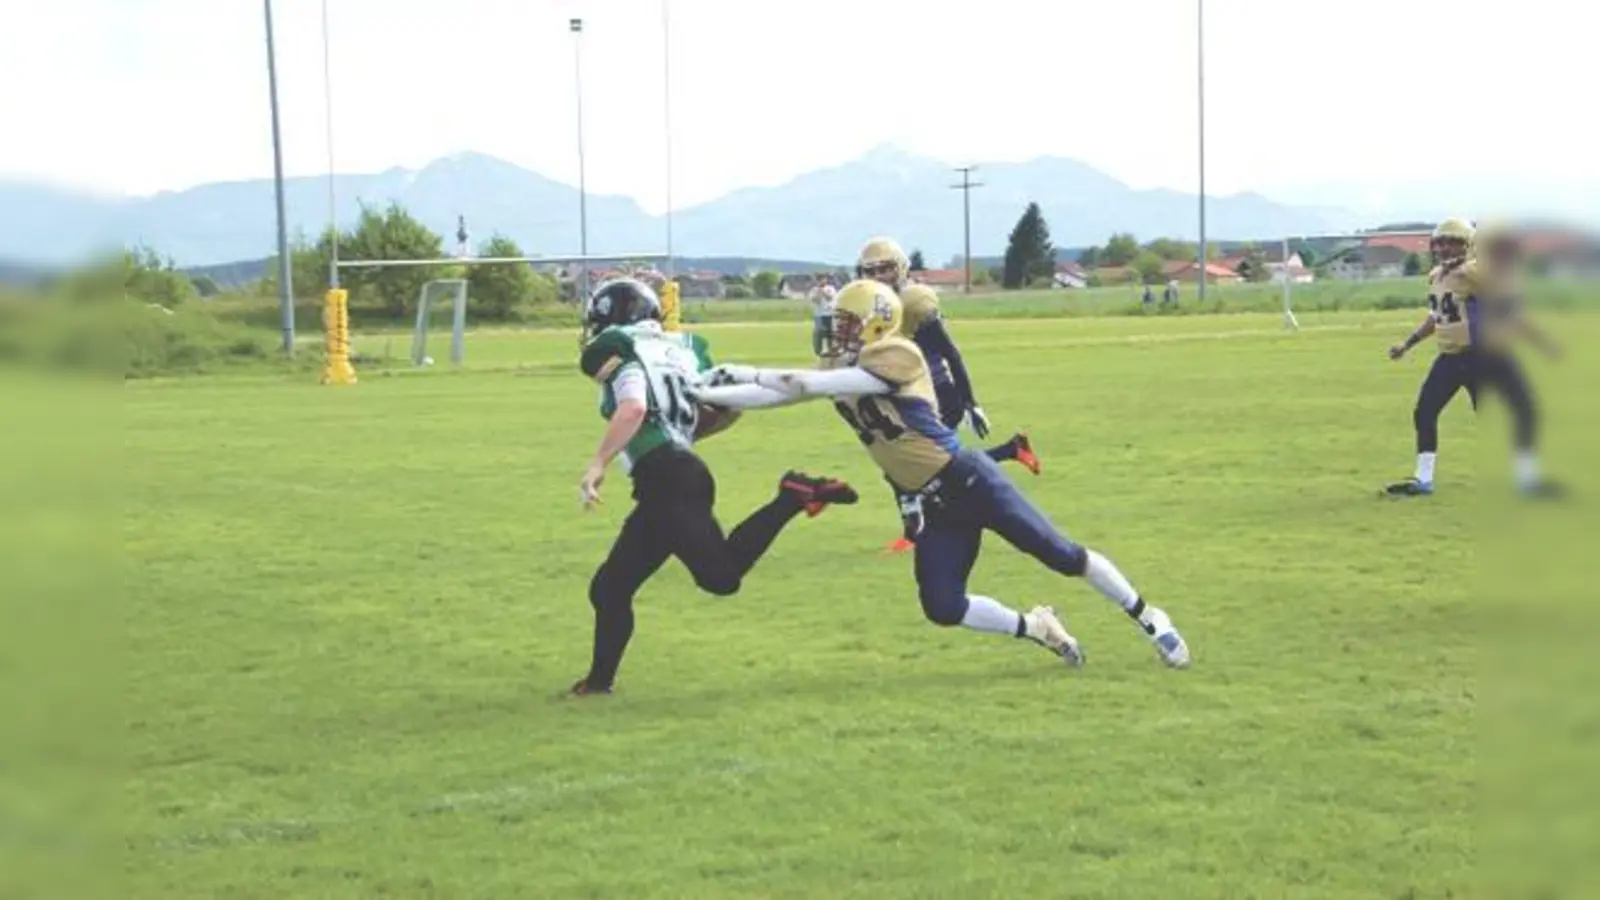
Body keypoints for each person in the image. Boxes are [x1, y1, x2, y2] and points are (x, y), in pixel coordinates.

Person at [699, 279, 1191, 669]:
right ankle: (1039, 627)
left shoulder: (898, 355)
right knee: (942, 605)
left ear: (876, 326)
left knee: (1063, 556)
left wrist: (740, 369)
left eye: (848, 323)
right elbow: (781, 394)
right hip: (933, 502)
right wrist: (706, 393)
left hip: (969, 481)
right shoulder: (842, 368)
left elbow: (800, 383)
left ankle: (1151, 618)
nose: (838, 332)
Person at [571, 278, 860, 695]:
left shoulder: (621, 350)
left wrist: (598, 462)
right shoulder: (683, 350)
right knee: (610, 587)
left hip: (668, 479)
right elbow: (711, 415)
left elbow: (634, 406)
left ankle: (792, 495)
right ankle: (597, 684)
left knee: (721, 577)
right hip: (672, 475)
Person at [854, 238, 1040, 552]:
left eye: (885, 268)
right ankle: (1011, 450)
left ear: (899, 269)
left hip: (936, 393)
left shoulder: (914, 303)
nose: (879, 277)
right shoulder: (874, 308)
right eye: (871, 271)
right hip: (905, 393)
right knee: (918, 466)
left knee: (923, 466)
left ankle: (915, 532)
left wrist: (970, 401)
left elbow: (951, 354)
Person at [1382, 219, 1484, 496]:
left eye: (1452, 242)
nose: (1444, 248)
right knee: (1425, 412)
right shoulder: (1437, 276)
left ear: (1468, 245)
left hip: (1479, 358)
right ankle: (1423, 479)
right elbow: (1437, 317)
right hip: (1449, 359)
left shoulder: (1474, 272)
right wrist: (1408, 343)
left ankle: (1526, 476)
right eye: (1441, 242)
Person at [1469, 221, 1563, 496]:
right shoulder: (1481, 275)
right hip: (1480, 356)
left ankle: (1528, 481)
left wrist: (1544, 343)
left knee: (1526, 411)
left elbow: (1517, 318)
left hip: (1500, 356)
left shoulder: (1509, 276)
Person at [809, 275, 838, 358]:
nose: (822, 281)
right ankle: (819, 351)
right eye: (820, 279)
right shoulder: (814, 290)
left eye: (823, 279)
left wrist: (823, 291)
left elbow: (830, 298)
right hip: (819, 314)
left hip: (830, 313)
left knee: (831, 333)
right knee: (819, 332)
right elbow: (815, 300)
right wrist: (818, 292)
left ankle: (831, 350)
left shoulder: (831, 288)